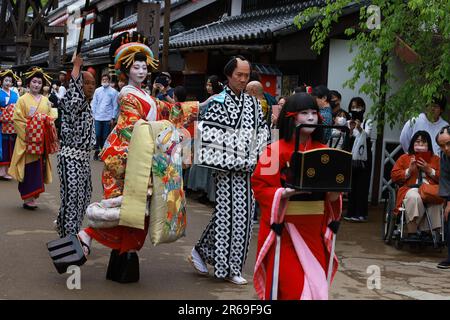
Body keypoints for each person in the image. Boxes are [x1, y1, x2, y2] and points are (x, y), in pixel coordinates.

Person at [75, 31, 195, 283]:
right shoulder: (127, 95)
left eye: (143, 67)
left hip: (142, 156)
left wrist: (197, 107)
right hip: (129, 156)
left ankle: (118, 252)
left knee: (136, 212)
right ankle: (88, 235)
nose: (141, 71)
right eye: (136, 67)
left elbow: (168, 111)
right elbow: (137, 127)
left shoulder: (147, 96)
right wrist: (162, 130)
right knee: (132, 211)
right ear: (126, 71)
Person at [188, 56, 270, 285]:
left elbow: (262, 132)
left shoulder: (253, 103)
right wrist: (240, 152)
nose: (243, 80)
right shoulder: (217, 101)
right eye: (239, 75)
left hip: (248, 170)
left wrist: (255, 154)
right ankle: (225, 269)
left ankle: (212, 256)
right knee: (227, 215)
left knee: (242, 218)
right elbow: (211, 136)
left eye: (246, 75)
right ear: (228, 75)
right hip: (226, 170)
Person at [252, 93, 342, 299]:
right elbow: (259, 187)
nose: (311, 117)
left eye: (313, 113)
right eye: (304, 113)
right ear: (292, 117)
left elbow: (331, 198)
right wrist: (284, 192)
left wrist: (335, 194)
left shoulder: (324, 151)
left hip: (314, 231)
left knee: (315, 288)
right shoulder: (273, 150)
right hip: (285, 230)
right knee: (294, 290)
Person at [56, 54, 96, 238]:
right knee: (72, 198)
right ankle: (68, 236)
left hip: (84, 159)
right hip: (70, 157)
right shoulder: (73, 102)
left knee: (84, 197)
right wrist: (77, 67)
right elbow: (73, 88)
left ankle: (67, 228)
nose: (91, 87)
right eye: (87, 83)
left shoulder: (87, 106)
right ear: (79, 85)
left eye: (93, 84)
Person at [8, 67, 56, 210]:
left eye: (39, 83)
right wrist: (31, 132)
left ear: (42, 85)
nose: (36, 85)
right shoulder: (22, 100)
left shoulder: (46, 100)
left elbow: (52, 115)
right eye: (34, 82)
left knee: (39, 168)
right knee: (29, 169)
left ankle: (33, 196)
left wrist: (48, 122)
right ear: (28, 83)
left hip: (41, 141)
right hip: (28, 140)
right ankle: (28, 197)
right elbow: (17, 119)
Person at [391, 131, 442, 238]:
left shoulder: (436, 159)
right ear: (412, 144)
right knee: (414, 197)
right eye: (417, 142)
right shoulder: (404, 158)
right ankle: (412, 231)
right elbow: (394, 176)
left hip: (429, 189)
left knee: (435, 200)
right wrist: (409, 171)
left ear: (428, 145)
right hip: (410, 189)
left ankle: (427, 232)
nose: (420, 145)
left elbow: (444, 178)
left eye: (423, 142)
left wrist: (429, 170)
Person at [187, 75, 223, 204]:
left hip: (210, 136)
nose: (208, 87)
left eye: (210, 84)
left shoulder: (215, 98)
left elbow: (200, 108)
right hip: (207, 135)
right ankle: (207, 193)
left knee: (207, 166)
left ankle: (208, 194)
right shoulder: (217, 97)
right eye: (207, 84)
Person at [344, 97, 375, 222]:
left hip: (364, 157)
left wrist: (359, 127)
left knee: (362, 184)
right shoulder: (348, 122)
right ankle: (351, 212)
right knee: (352, 184)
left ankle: (361, 213)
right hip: (352, 156)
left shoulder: (368, 121)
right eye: (353, 107)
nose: (355, 109)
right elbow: (348, 137)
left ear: (363, 108)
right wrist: (351, 129)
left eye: (358, 107)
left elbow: (367, 134)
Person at [91, 74, 119, 160]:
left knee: (105, 136)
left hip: (107, 117)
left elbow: (115, 105)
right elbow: (94, 103)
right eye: (103, 79)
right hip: (98, 117)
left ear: (109, 81)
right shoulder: (97, 91)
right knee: (97, 135)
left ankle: (102, 153)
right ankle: (97, 151)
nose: (104, 81)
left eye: (106, 79)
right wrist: (93, 114)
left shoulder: (113, 92)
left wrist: (113, 117)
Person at [0, 69, 21, 180]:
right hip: (1, 123)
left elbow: (17, 107)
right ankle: (1, 171)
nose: (8, 83)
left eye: (10, 81)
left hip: (11, 123)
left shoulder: (14, 93)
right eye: (6, 80)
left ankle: (7, 170)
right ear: (1, 81)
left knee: (10, 146)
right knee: (2, 145)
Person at [436, 126, 450, 269]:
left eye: (448, 143)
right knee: (448, 217)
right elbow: (445, 179)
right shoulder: (444, 157)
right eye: (442, 145)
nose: (445, 148)